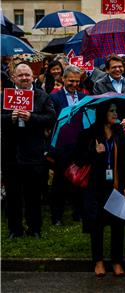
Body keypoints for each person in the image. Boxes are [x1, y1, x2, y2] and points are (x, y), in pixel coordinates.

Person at [74, 101, 125, 277]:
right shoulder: (88, 134)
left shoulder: (118, 133)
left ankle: (117, 261)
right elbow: (79, 159)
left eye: (116, 111)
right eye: (111, 111)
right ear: (102, 114)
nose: (115, 114)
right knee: (96, 225)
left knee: (118, 226)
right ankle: (98, 261)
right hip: (95, 188)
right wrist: (94, 152)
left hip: (116, 185)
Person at [1, 63, 57, 239]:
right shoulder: (5, 96)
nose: (24, 78)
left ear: (33, 76)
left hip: (33, 154)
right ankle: (14, 230)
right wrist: (11, 117)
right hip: (11, 154)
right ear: (13, 78)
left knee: (33, 194)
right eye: (20, 75)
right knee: (13, 195)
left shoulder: (42, 96)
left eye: (27, 75)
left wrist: (31, 117)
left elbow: (51, 118)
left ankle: (35, 228)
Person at [49, 64, 88, 226]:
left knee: (79, 180)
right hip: (61, 145)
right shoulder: (55, 97)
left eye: (76, 81)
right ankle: (57, 216)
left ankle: (77, 212)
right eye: (70, 81)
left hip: (79, 144)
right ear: (63, 79)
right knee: (59, 182)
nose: (73, 84)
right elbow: (52, 121)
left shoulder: (83, 96)